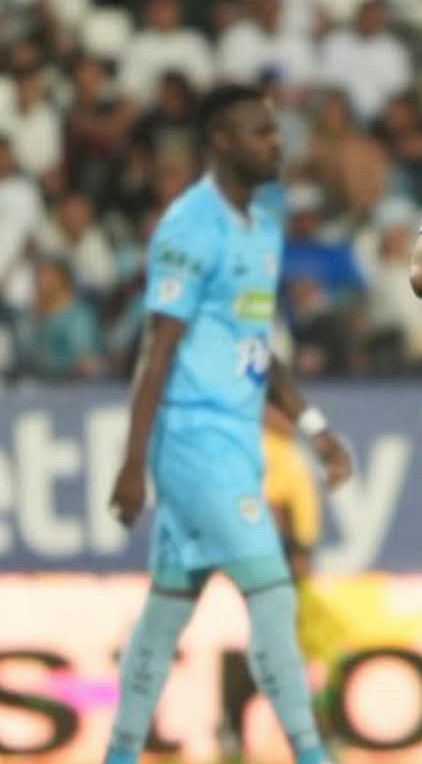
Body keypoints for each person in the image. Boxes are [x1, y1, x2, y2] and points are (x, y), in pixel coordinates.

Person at [104, 85, 352, 764]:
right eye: (259, 134)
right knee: (272, 594)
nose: (275, 143)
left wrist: (314, 424)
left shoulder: (258, 225)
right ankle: (310, 753)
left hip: (235, 441)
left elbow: (253, 344)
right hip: (192, 443)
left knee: (165, 611)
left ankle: (119, 753)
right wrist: (133, 464)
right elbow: (158, 350)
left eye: (274, 132)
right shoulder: (190, 226)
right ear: (220, 142)